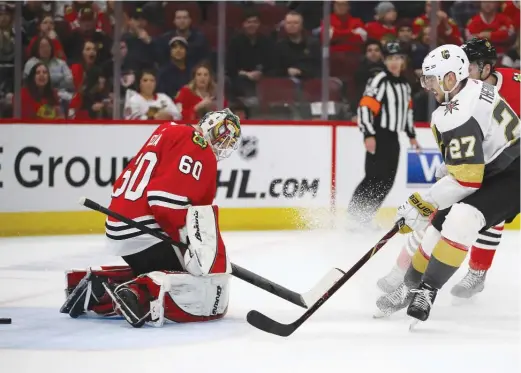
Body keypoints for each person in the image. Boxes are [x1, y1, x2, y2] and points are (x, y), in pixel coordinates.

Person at [375, 44, 520, 322]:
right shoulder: (474, 89)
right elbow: (475, 150)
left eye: (431, 78)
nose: (427, 85)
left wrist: (421, 203)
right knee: (437, 226)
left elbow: (466, 179)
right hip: (492, 165)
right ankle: (408, 286)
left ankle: (427, 291)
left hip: (514, 172)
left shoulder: (457, 113)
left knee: (462, 218)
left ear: (451, 78)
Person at [59, 109, 242, 328]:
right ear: (209, 126)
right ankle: (138, 293)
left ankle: (100, 287)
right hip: (146, 230)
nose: (222, 144)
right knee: (202, 285)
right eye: (221, 135)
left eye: (228, 141)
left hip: (120, 225)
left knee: (161, 269)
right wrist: (188, 244)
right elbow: (164, 204)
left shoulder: (168, 129)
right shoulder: (199, 146)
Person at [347, 41, 419, 228]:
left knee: (387, 181)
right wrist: (368, 134)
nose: (394, 62)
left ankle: (365, 217)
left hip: (393, 137)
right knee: (373, 177)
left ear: (403, 61)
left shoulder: (404, 84)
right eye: (390, 58)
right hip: (378, 135)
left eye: (397, 58)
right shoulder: (379, 79)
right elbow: (365, 107)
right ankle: (354, 218)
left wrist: (411, 135)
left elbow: (407, 111)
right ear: (385, 61)